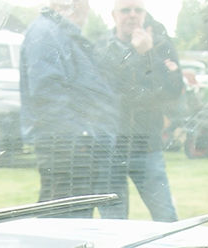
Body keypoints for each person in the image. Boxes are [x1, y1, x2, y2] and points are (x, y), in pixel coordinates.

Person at [20, 0, 121, 217]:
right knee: (65, 223)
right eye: (84, 4)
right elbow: (47, 95)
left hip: (76, 147)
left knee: (73, 220)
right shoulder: (46, 33)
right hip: (68, 149)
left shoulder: (59, 32)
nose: (88, 9)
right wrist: (80, 138)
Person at [98, 3, 182, 221]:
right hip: (111, 148)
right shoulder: (101, 48)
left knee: (166, 219)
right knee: (113, 223)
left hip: (147, 146)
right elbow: (111, 91)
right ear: (114, 14)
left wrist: (148, 54)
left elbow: (173, 89)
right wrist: (139, 55)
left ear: (145, 14)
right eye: (126, 10)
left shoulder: (161, 44)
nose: (132, 15)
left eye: (138, 10)